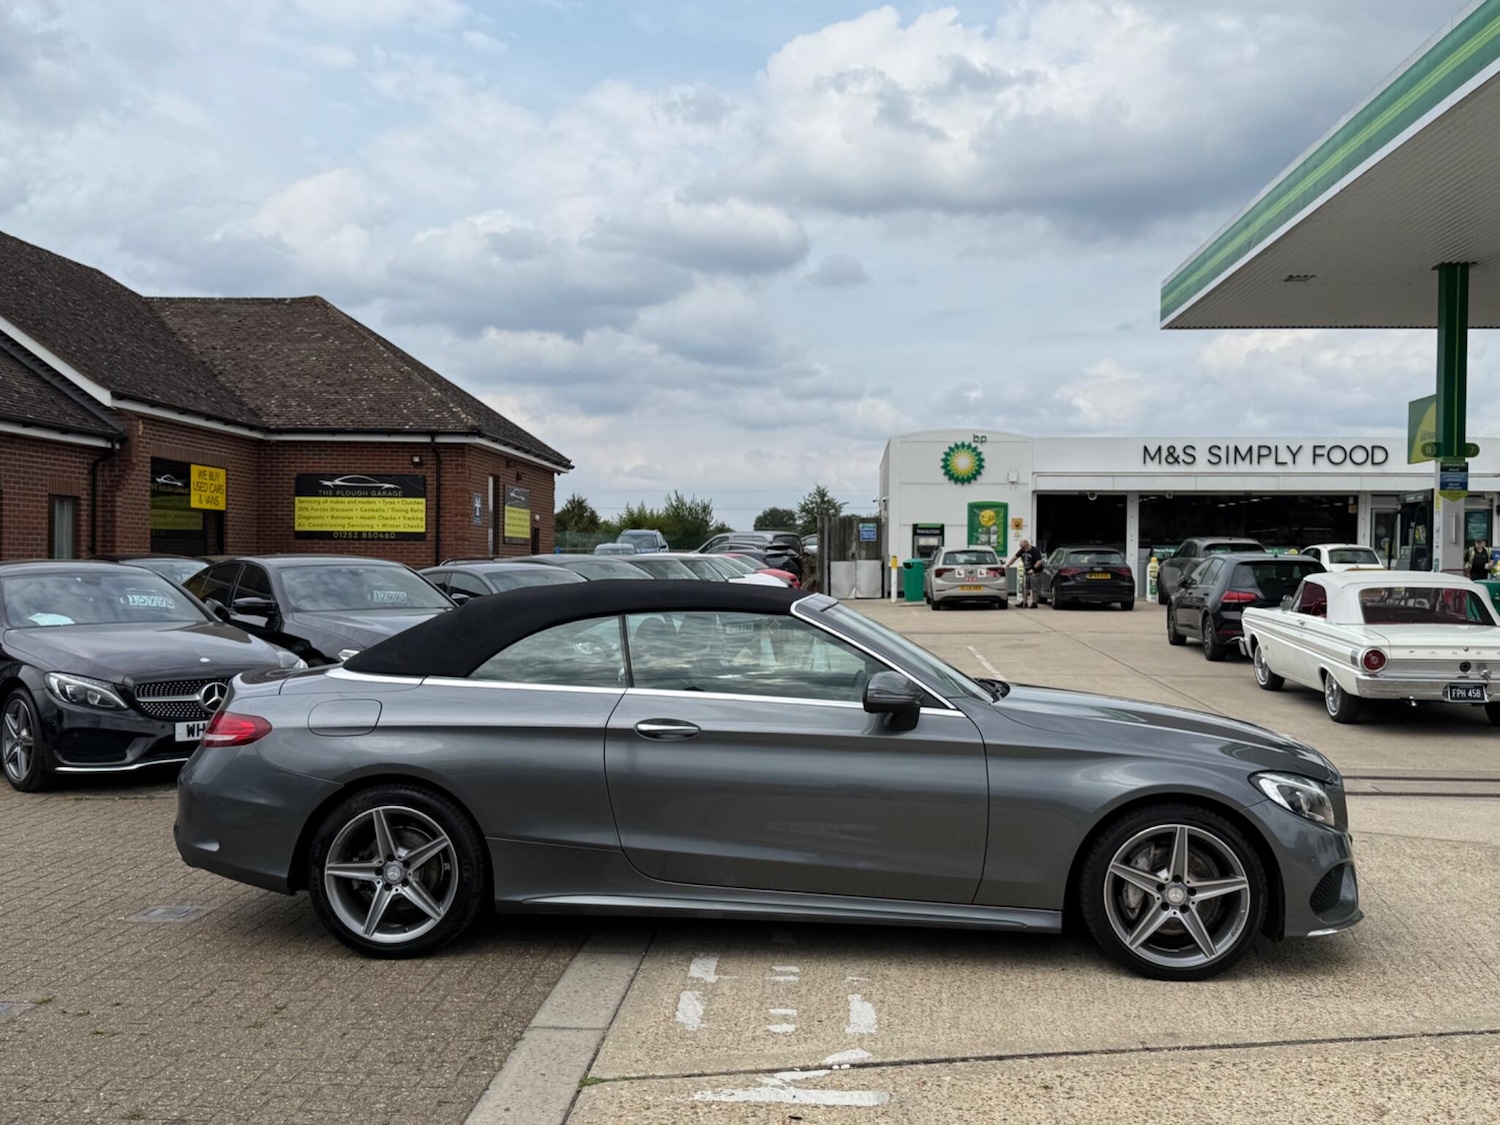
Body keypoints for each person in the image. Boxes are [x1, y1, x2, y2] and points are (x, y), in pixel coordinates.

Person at [1008, 539, 1045, 608]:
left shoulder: (1035, 551)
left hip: (1036, 572)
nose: (1023, 549)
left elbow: (1039, 561)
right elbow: (1014, 557)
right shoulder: (1022, 550)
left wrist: (1033, 569)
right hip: (1027, 571)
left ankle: (1034, 603)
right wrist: (1008, 565)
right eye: (1021, 548)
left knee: (1034, 587)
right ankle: (1024, 602)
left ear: (1027, 545)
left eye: (1024, 547)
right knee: (1025, 587)